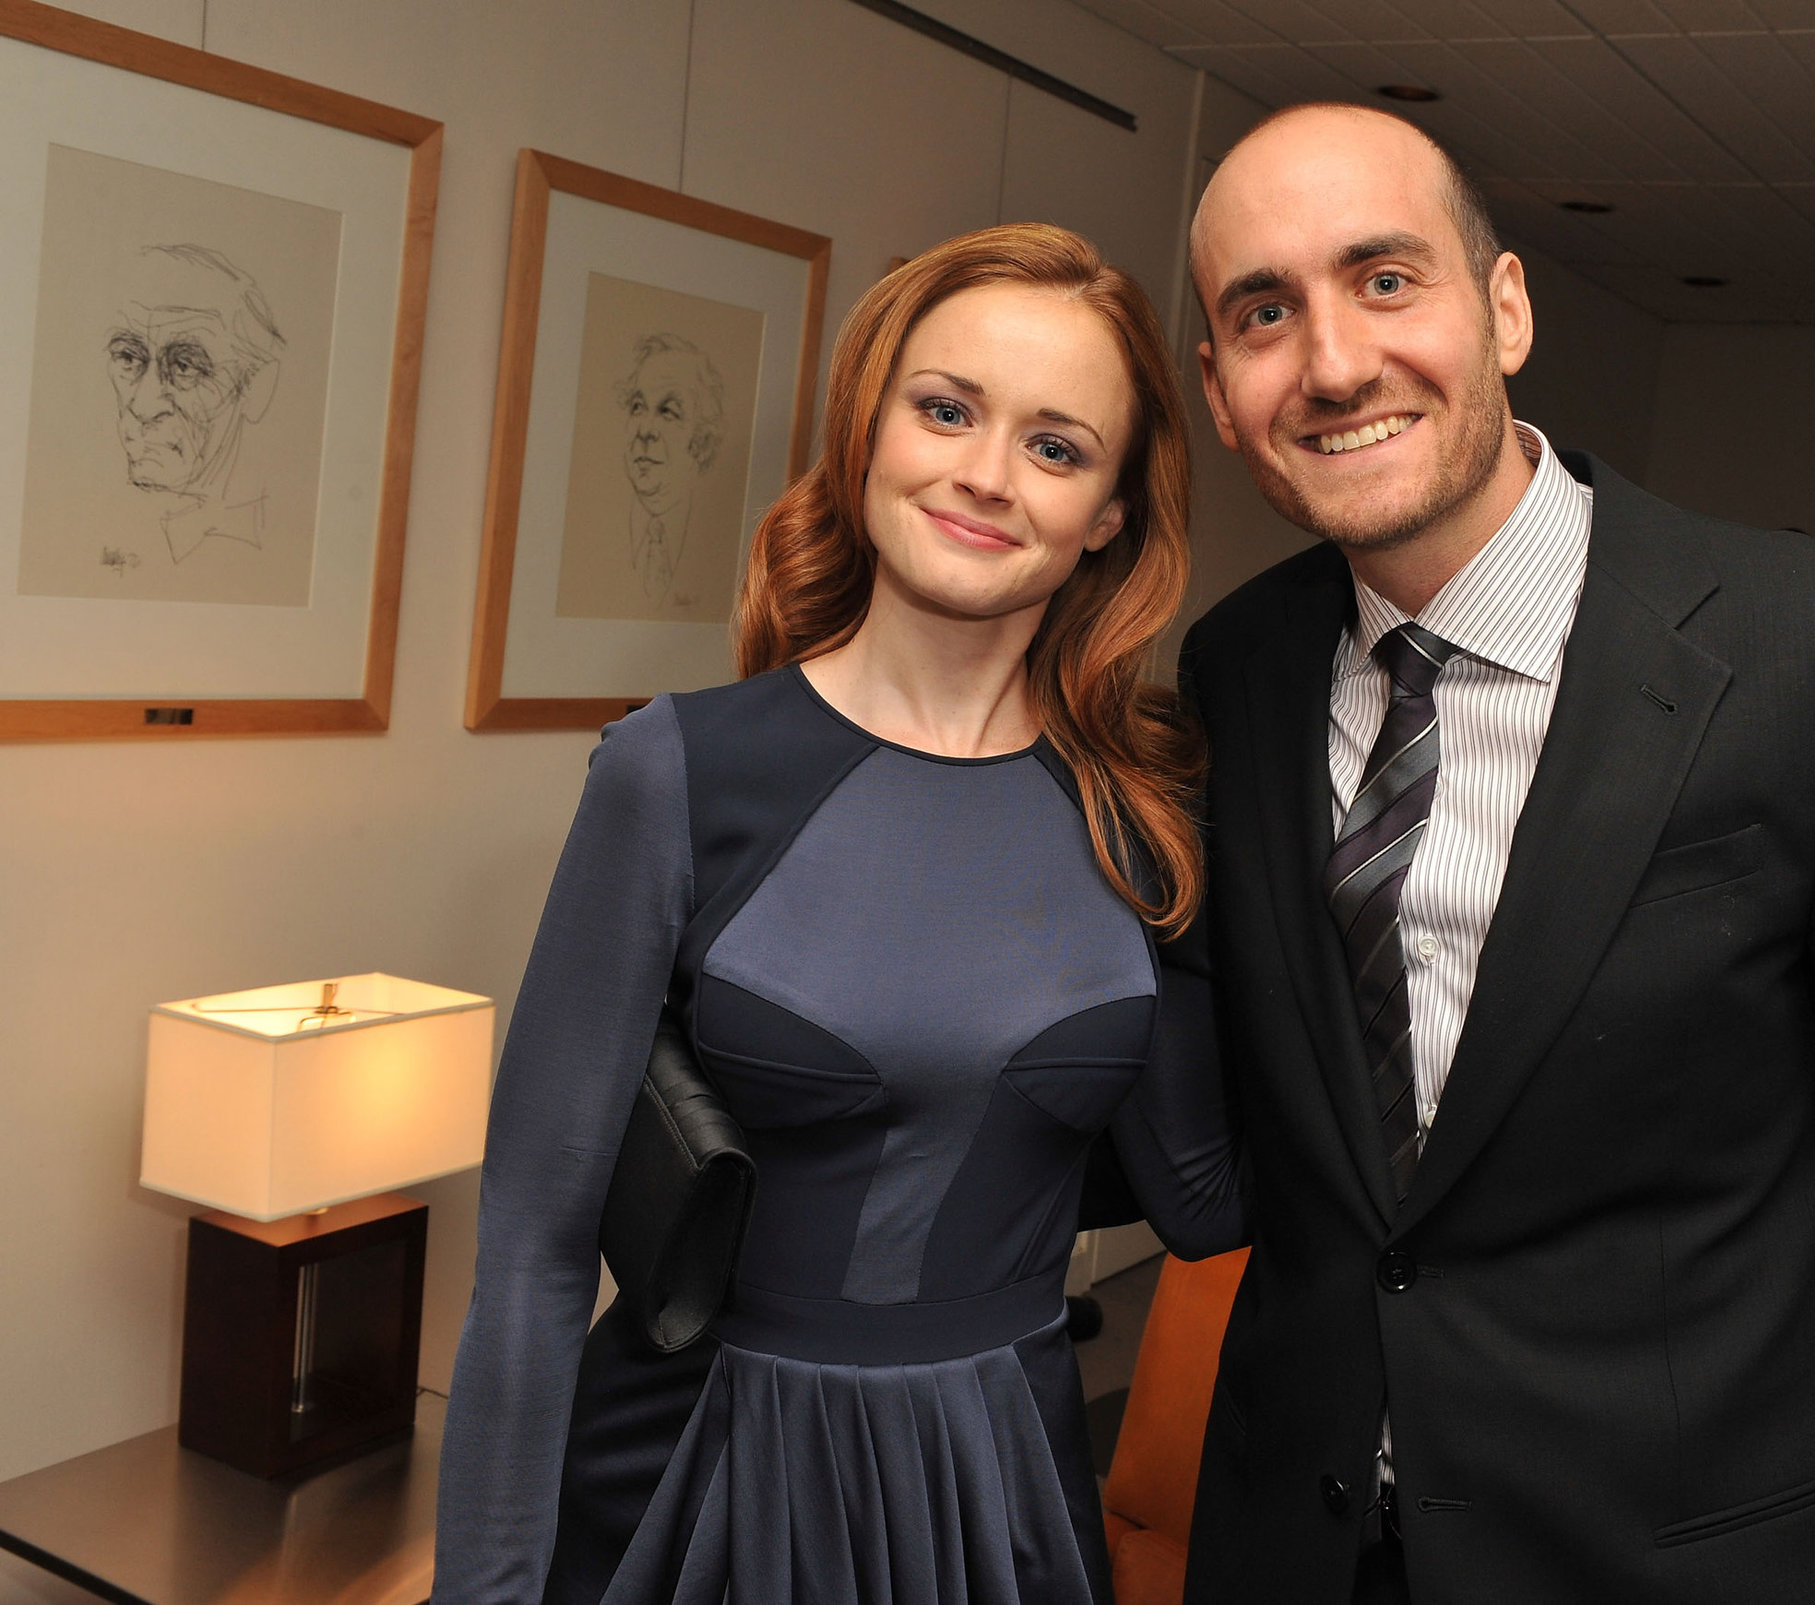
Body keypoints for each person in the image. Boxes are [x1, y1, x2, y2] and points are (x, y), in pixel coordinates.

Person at [1176, 100, 1815, 1604]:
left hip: (1670, 1561)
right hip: (1303, 1545)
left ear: (1505, 306)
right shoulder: (1240, 670)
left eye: (1385, 279)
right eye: (1263, 314)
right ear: (1216, 387)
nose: (1332, 363)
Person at [432, 223, 1243, 1605]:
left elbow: (1206, 1196)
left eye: (1055, 448)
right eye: (945, 410)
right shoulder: (678, 769)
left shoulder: (1147, 805)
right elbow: (533, 1243)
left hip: (1001, 1492)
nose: (984, 475)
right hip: (696, 1483)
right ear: (868, 427)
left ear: (1109, 510)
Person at [106, 242, 284, 561]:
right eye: (128, 357)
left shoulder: (266, 547)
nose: (143, 406)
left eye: (185, 367)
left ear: (256, 388)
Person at [615, 332, 725, 605]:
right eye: (637, 407)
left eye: (668, 412)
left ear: (701, 441)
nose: (645, 430)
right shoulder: (591, 530)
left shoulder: (720, 551)